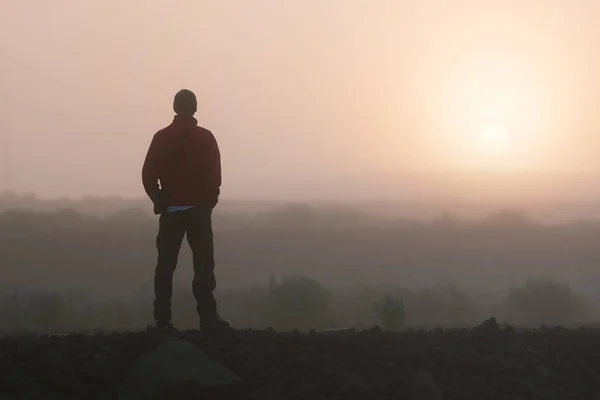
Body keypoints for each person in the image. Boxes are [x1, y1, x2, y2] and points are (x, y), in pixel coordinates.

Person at [142, 89, 231, 332]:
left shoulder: (161, 137)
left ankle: (162, 319)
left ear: (174, 107)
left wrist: (157, 197)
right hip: (199, 211)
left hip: (171, 211)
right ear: (194, 108)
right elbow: (215, 175)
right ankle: (208, 317)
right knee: (203, 265)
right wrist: (209, 201)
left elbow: (149, 174)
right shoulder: (205, 137)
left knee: (165, 267)